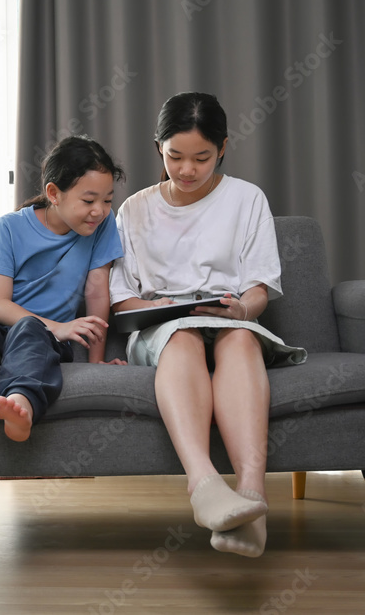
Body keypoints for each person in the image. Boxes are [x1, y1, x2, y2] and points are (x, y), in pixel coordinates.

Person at [109, 92, 306, 557]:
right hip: (163, 330)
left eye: (201, 158)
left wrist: (242, 309)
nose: (187, 170)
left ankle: (253, 498)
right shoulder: (133, 211)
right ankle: (205, 488)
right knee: (181, 338)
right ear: (158, 147)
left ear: (222, 147)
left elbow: (259, 288)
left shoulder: (246, 199)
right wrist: (167, 310)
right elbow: (121, 298)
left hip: (229, 320)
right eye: (175, 156)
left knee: (239, 340)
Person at [0, 135, 127, 442]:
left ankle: (20, 405)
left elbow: (96, 292)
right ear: (54, 193)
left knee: (30, 332)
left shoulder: (102, 226)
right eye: (89, 201)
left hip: (39, 335)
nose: (99, 211)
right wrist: (59, 327)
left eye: (107, 200)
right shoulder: (10, 227)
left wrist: (97, 361)